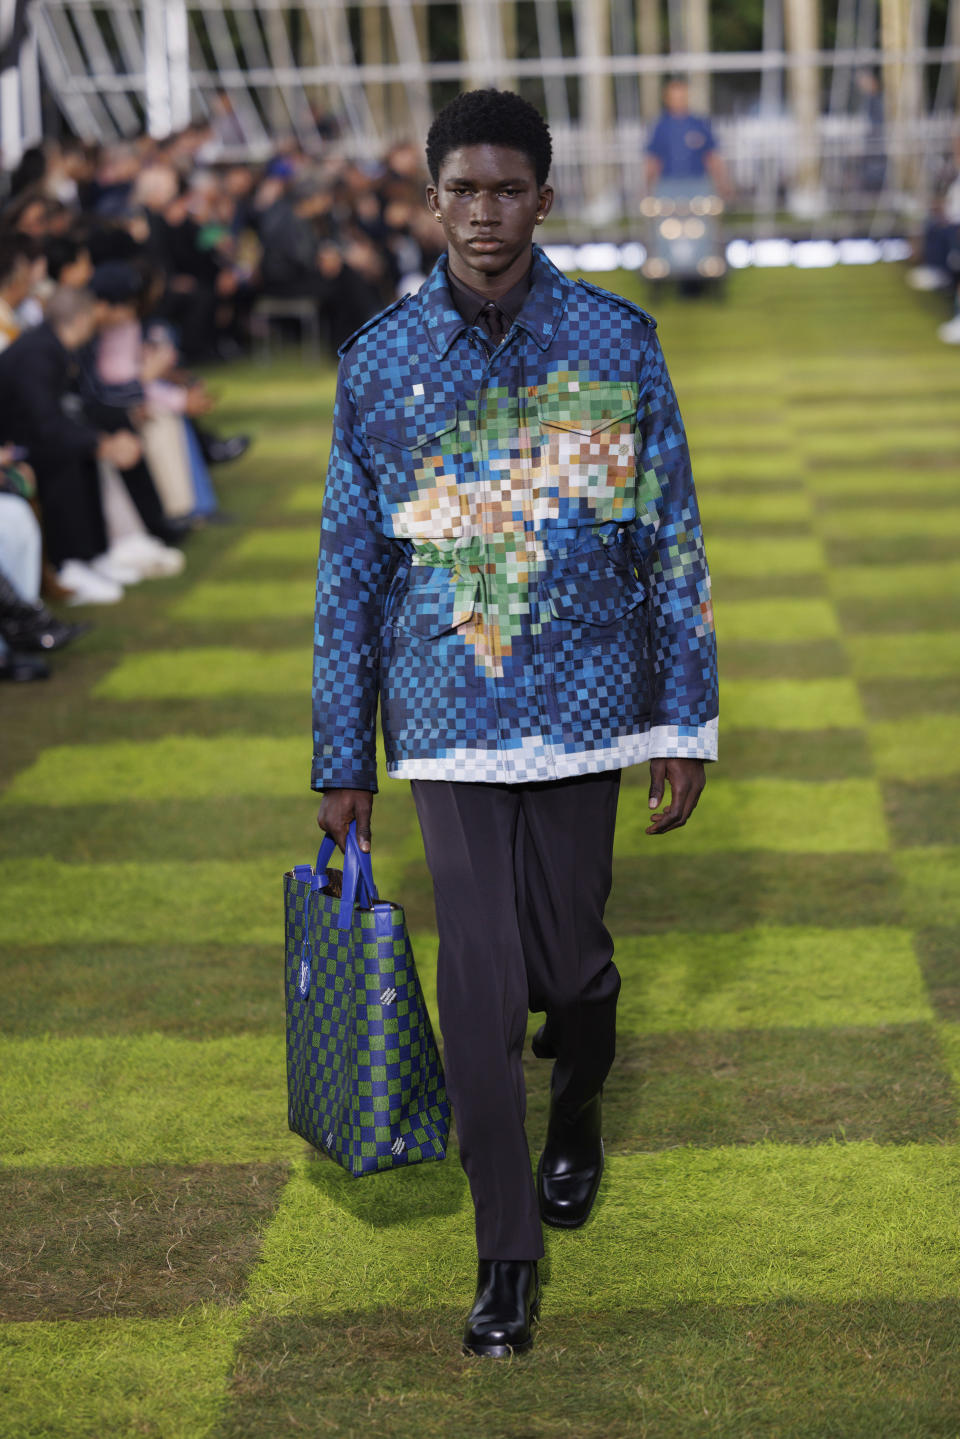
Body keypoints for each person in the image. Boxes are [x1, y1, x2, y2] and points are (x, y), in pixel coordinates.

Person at [312, 89, 718, 1358]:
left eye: (508, 190)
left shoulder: (616, 340)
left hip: (591, 703)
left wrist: (681, 719)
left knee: (569, 968)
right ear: (431, 201)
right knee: (481, 983)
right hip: (443, 710)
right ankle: (505, 1256)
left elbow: (670, 542)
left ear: (547, 198)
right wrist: (343, 754)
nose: (485, 214)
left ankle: (579, 1102)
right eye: (462, 191)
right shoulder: (376, 362)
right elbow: (347, 571)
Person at [645, 76, 730, 198]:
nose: (679, 101)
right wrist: (646, 187)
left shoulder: (700, 124)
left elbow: (712, 157)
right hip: (668, 185)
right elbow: (653, 160)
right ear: (667, 99)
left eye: (682, 97)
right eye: (674, 97)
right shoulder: (660, 127)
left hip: (697, 184)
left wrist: (723, 183)